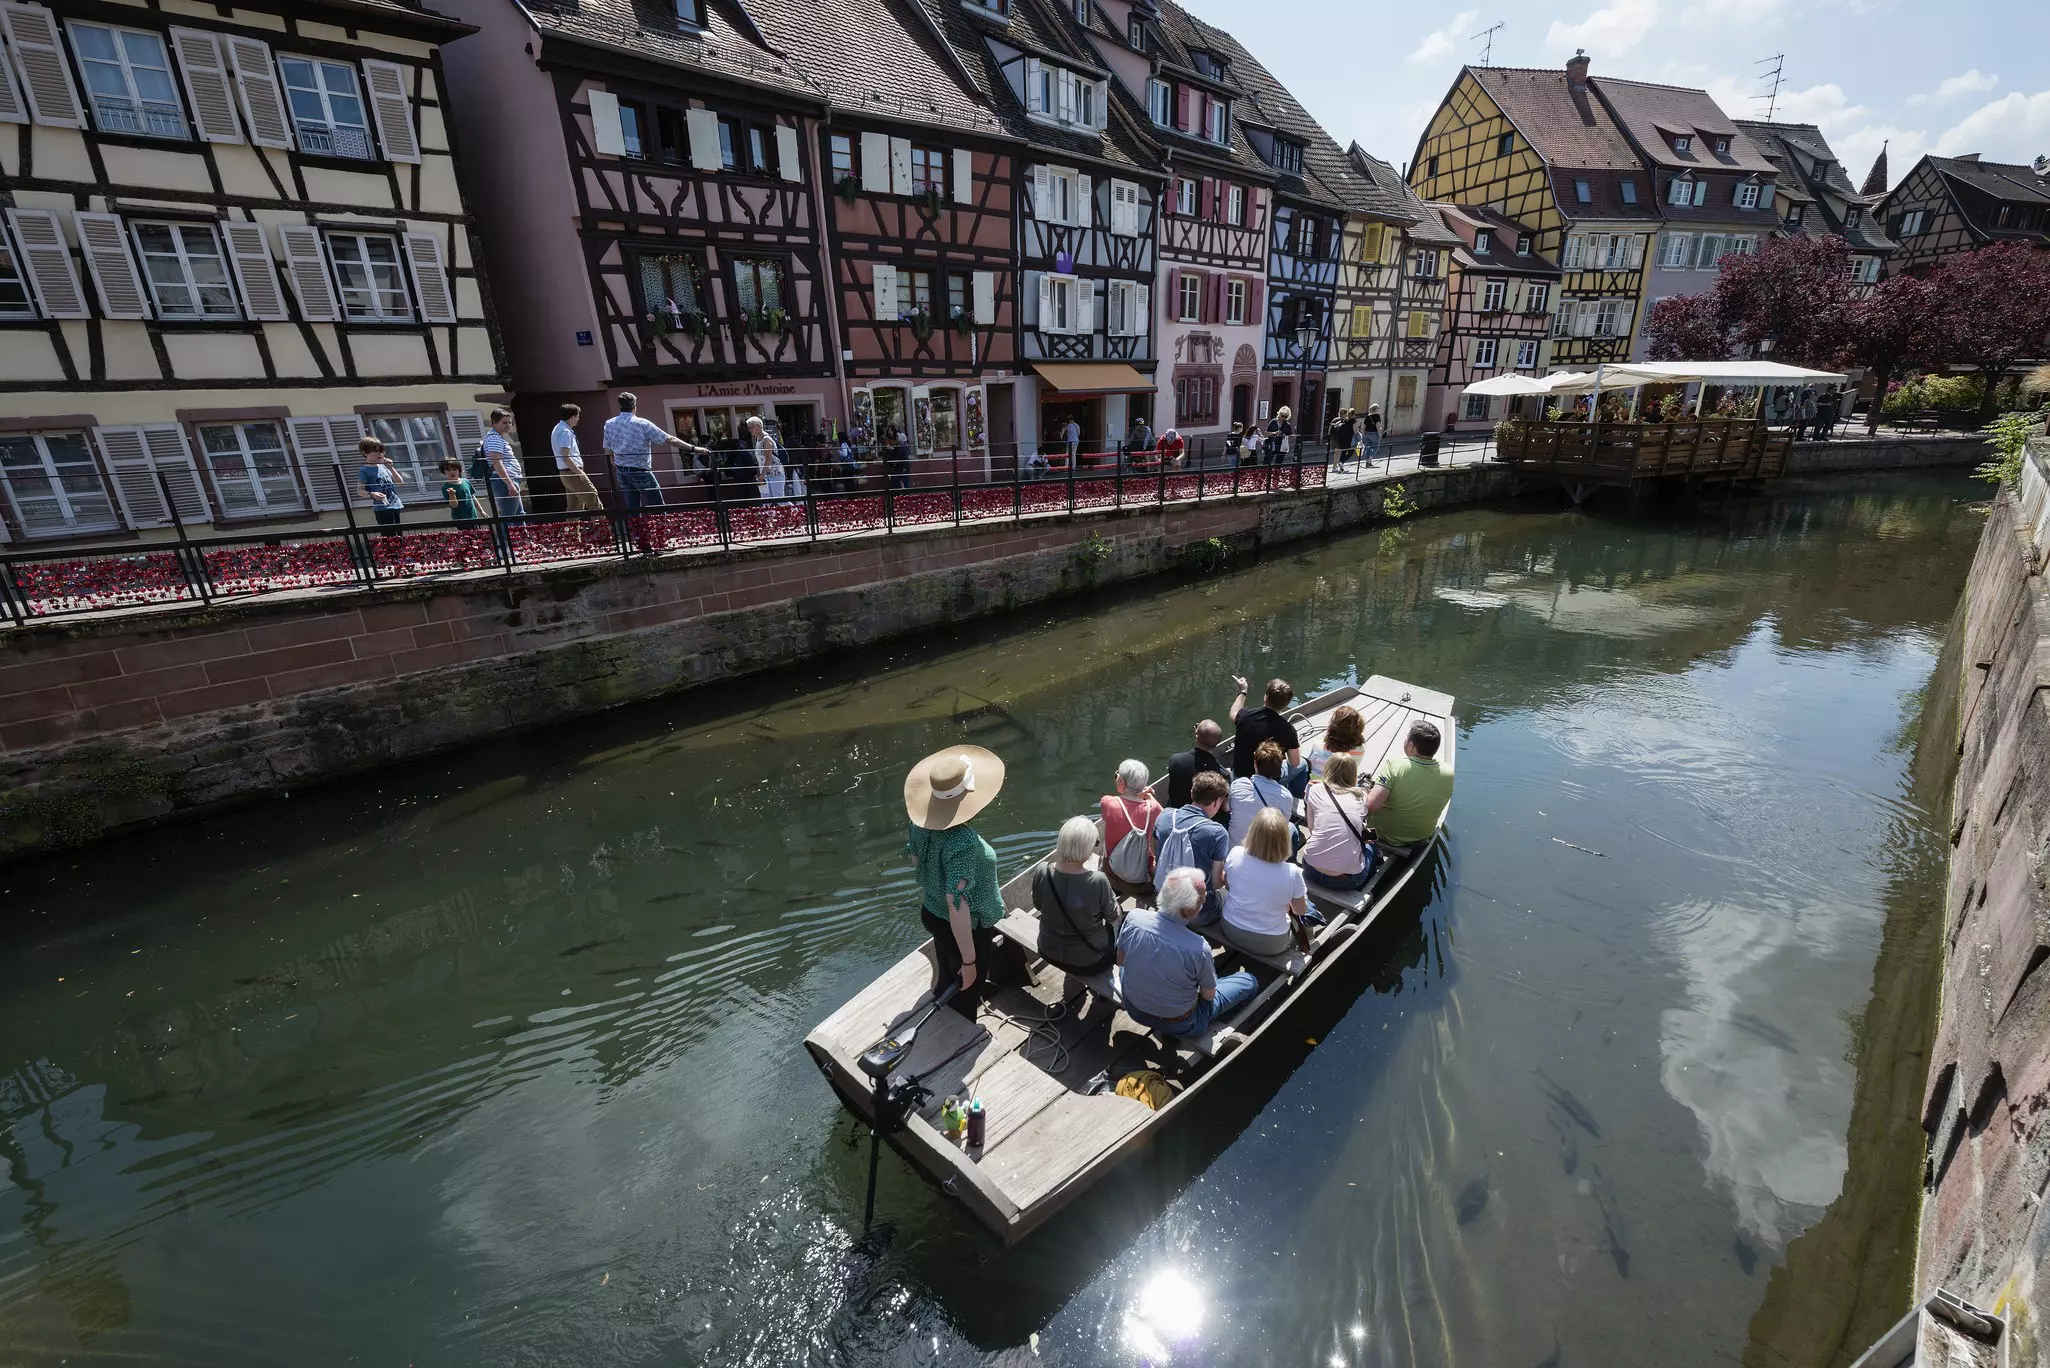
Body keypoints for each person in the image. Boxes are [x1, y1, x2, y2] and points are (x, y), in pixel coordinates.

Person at [904, 746, 1007, 1010]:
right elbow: (956, 901)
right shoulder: (964, 842)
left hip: (932, 913)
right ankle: (960, 1029)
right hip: (966, 928)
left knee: (948, 978)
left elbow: (915, 859)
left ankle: (944, 999)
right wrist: (969, 961)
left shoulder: (919, 823)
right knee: (967, 989)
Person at [1117, 868, 1259, 1039]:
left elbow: (1120, 960)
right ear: (1189, 909)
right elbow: (1208, 995)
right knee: (1249, 981)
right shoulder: (1198, 948)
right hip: (1183, 1024)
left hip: (1135, 1010)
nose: (1205, 900)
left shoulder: (1134, 918)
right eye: (1202, 899)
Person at [1215, 807, 1309, 958]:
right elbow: (1300, 911)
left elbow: (1228, 884)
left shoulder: (1235, 853)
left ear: (1253, 832)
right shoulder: (1293, 873)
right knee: (1307, 918)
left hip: (1230, 929)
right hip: (1271, 944)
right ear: (1284, 840)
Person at [1033, 816, 1121, 975]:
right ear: (1087, 847)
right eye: (1095, 843)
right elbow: (1113, 916)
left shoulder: (1042, 870)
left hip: (1047, 951)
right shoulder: (1097, 880)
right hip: (1089, 960)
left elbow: (1038, 905)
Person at [1366, 719, 1455, 855]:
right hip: (1422, 835)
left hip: (1384, 835)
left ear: (1411, 745)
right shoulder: (1448, 772)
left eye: (1406, 738)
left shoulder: (1394, 766)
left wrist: (1363, 791)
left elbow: (1370, 805)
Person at [604, 392, 702, 511]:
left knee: (633, 510)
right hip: (640, 471)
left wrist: (620, 466)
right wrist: (694, 448)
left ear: (620, 406)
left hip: (622, 472)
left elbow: (608, 453)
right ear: (634, 406)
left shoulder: (609, 424)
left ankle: (635, 523)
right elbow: (669, 439)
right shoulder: (642, 424)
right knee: (658, 508)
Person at [1152, 770, 1230, 919]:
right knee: (1227, 898)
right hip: (1198, 913)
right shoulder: (1218, 833)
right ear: (1216, 802)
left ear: (1192, 793)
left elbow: (1156, 851)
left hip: (1163, 900)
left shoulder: (1165, 815)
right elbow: (1216, 883)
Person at [1300, 754, 1374, 893]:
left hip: (1311, 868)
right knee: (1371, 848)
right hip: (1345, 880)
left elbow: (1312, 828)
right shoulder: (1361, 798)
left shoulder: (1315, 790)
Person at [1229, 676, 1303, 789]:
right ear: (1286, 704)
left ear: (1266, 697)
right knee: (1303, 765)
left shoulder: (1245, 716)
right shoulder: (1288, 730)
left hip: (1240, 776)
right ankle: (1294, 794)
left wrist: (1243, 691)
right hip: (1269, 779)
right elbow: (1295, 763)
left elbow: (1233, 713)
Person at [1100, 758, 1162, 887]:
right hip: (1141, 872)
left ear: (1122, 783)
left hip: (1112, 870)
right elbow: (1163, 815)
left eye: (1117, 775)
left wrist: (1137, 795)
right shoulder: (1153, 808)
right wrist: (1148, 797)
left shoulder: (1108, 803)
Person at [1227, 740, 1294, 850]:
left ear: (1255, 764)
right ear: (1279, 768)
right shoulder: (1286, 796)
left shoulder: (1238, 784)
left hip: (1234, 848)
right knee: (1292, 828)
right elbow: (1283, 825)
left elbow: (1230, 808)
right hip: (1264, 852)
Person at [1164, 719, 1228, 809]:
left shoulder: (1175, 760)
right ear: (1217, 743)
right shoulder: (1220, 774)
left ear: (1196, 737)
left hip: (1174, 811)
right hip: (1199, 815)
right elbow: (1224, 805)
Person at [552, 404, 604, 512]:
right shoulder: (565, 431)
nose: (578, 419)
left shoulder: (558, 429)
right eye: (577, 416)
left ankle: (572, 524)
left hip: (566, 473)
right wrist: (579, 472)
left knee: (574, 506)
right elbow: (565, 455)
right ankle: (601, 523)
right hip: (572, 472)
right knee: (592, 497)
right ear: (572, 417)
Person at [481, 408, 523, 517]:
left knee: (519, 515)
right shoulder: (494, 439)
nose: (508, 425)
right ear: (494, 423)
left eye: (510, 422)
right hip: (504, 481)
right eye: (504, 422)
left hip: (508, 479)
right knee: (509, 516)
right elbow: (497, 463)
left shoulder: (497, 437)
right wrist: (509, 484)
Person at [1305, 704, 1366, 777]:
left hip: (1315, 783)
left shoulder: (1317, 747)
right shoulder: (1360, 750)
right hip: (1343, 783)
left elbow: (1309, 765)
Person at [357, 435, 404, 528]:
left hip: (396, 505)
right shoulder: (364, 470)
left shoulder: (384, 467)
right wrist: (372, 494)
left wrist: (391, 468)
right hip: (382, 508)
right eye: (376, 451)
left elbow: (400, 483)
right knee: (389, 534)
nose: (380, 454)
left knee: (398, 534)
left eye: (381, 451)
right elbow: (360, 491)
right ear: (365, 452)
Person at [746, 416, 783, 501]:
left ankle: (796, 509)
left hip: (774, 473)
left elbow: (769, 458)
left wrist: (762, 474)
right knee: (766, 500)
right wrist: (760, 474)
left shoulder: (766, 439)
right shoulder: (758, 439)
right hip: (764, 475)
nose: (750, 430)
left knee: (779, 500)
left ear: (758, 426)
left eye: (751, 427)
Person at [439, 457, 478, 523]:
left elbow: (472, 497)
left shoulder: (465, 481)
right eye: (448, 470)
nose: (452, 472)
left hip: (474, 516)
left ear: (459, 470)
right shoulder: (445, 487)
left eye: (454, 469)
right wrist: (452, 495)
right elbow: (454, 505)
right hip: (460, 519)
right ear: (444, 471)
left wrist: (482, 511)